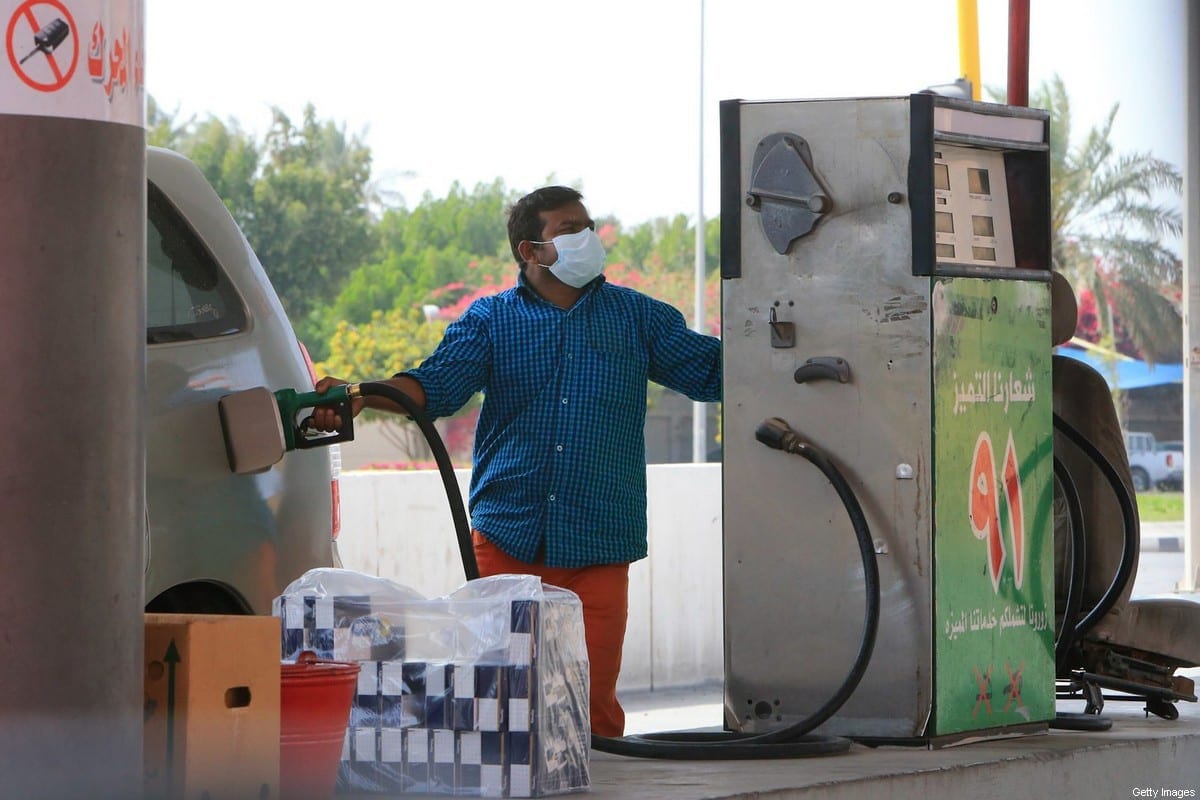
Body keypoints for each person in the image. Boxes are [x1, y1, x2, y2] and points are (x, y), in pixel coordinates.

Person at [313, 185, 721, 736]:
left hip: (600, 545)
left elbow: (712, 372)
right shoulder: (489, 321)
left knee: (588, 710)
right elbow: (432, 387)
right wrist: (360, 392)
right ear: (531, 251)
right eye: (568, 230)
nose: (588, 239)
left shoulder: (639, 319)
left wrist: (787, 345)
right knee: (502, 707)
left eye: (588, 226)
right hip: (508, 541)